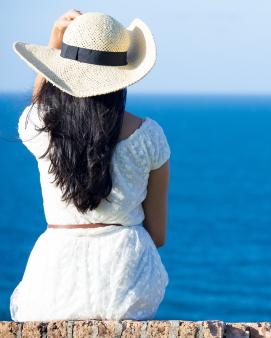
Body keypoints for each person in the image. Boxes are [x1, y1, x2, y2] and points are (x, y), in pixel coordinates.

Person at [9, 10, 170, 321]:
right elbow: (158, 235)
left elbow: (40, 109)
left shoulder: (40, 128)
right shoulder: (149, 136)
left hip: (53, 281)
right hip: (127, 283)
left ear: (64, 71)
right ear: (124, 72)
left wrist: (55, 44)